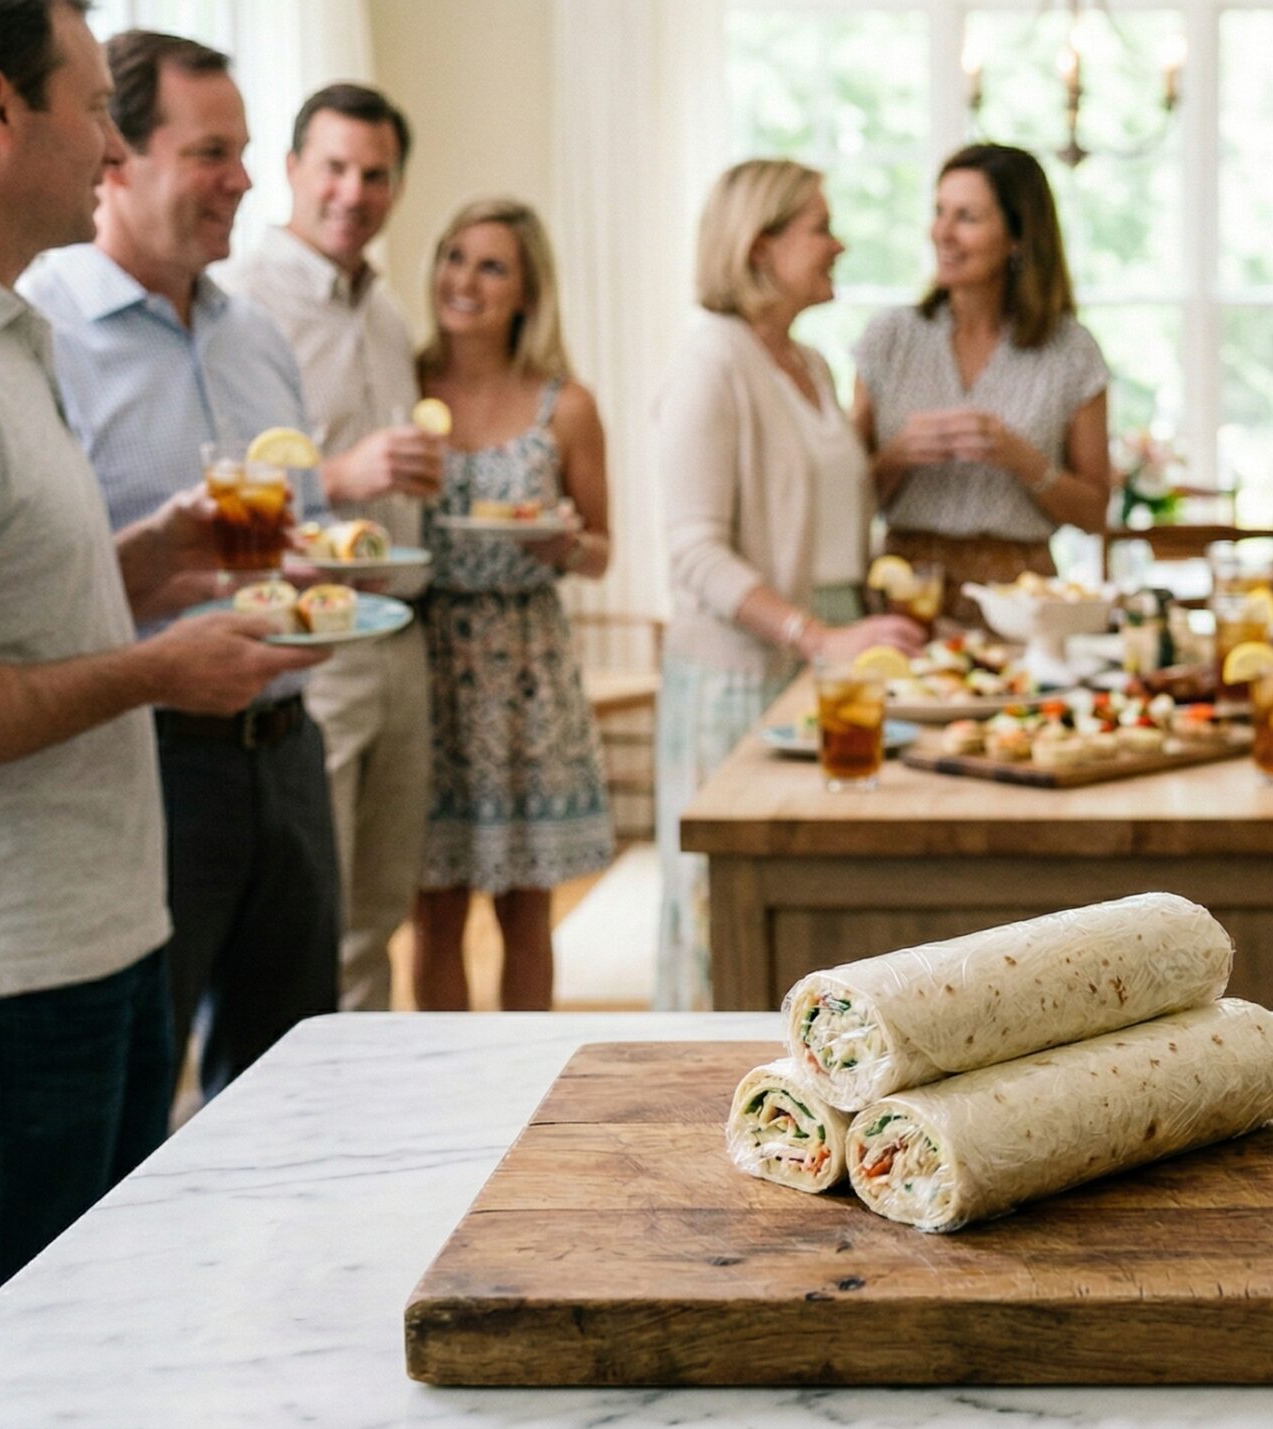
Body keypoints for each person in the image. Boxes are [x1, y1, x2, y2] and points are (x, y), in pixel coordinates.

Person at [0, 0, 318, 1373]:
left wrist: (151, 557)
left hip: (80, 933)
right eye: (93, 106)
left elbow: (1, 612)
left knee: (88, 1346)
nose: (110, 143)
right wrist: (155, 669)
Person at [21, 30, 341, 1095]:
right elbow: (28, 596)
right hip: (144, 762)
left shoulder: (256, 337)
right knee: (135, 1096)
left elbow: (314, 534)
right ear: (117, 153)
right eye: (213, 151)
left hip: (291, 752)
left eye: (243, 149)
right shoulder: (38, 334)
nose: (246, 179)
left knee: (291, 1088)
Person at [654, 158, 929, 1010]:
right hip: (747, 674)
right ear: (762, 245)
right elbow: (695, 552)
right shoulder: (712, 362)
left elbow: (821, 512)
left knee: (827, 904)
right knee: (736, 913)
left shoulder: (808, 363)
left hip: (836, 660)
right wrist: (819, 634)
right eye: (820, 225)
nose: (838, 241)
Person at [216, 82, 441, 1015]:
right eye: (336, 167)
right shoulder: (239, 304)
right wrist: (340, 476)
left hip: (401, 639)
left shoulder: (386, 314)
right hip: (313, 645)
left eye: (376, 174)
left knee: (381, 908)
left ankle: (370, 1125)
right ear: (292, 170)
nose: (354, 191)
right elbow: (218, 483)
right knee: (315, 917)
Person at [411, 198, 616, 1011]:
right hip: (423, 661)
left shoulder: (564, 406)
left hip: (526, 670)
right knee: (432, 909)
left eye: (492, 266)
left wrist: (561, 544)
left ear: (528, 292)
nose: (464, 280)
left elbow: (602, 549)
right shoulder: (402, 383)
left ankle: (524, 1086)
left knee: (526, 910)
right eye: (454, 257)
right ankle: (442, 1089)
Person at [854, 143, 1111, 623]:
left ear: (1018, 237)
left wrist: (1024, 460)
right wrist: (898, 455)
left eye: (967, 217)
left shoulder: (1071, 350)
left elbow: (1095, 515)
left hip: (1023, 599)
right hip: (904, 594)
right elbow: (843, 495)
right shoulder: (889, 338)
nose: (942, 233)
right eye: (939, 212)